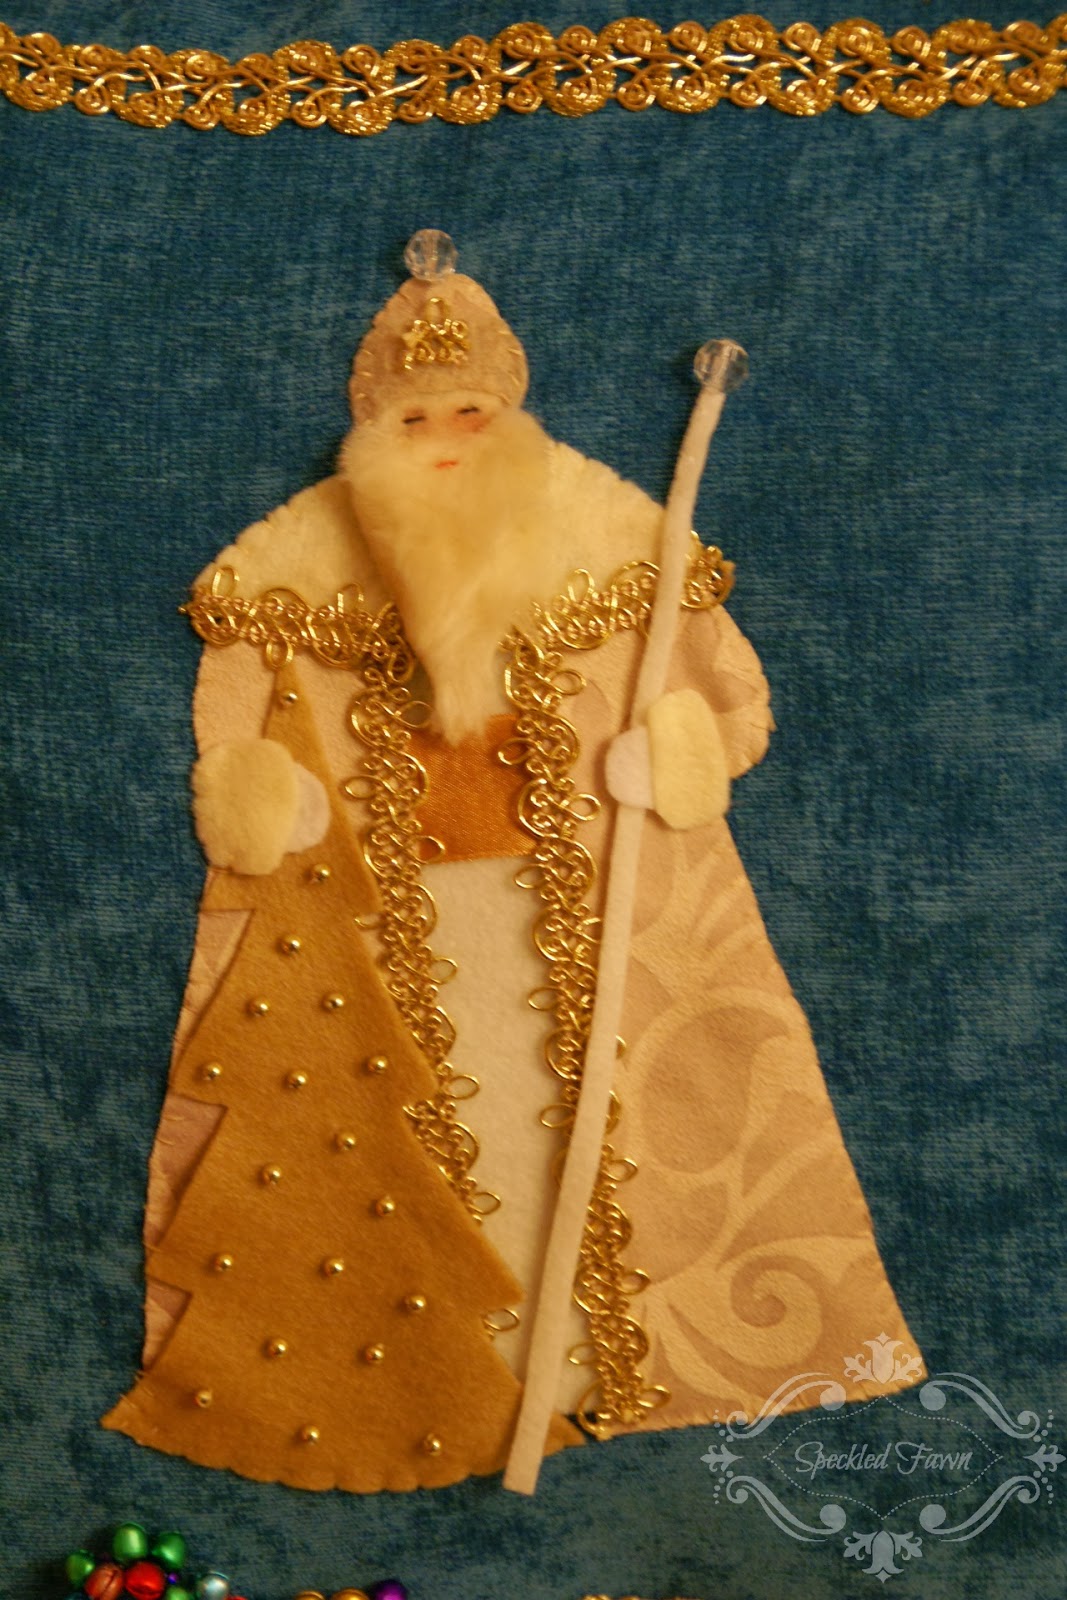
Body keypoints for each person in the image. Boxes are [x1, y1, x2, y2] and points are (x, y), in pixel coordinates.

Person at [103, 232, 922, 1494]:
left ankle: (627, 1369)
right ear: (370, 428)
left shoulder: (610, 531)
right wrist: (258, 789)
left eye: (469, 411)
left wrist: (680, 748)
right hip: (392, 919)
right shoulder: (292, 564)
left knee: (639, 1114)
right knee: (443, 1130)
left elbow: (715, 686)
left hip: (590, 900)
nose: (443, 436)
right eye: (414, 416)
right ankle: (473, 1383)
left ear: (510, 415)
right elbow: (241, 707)